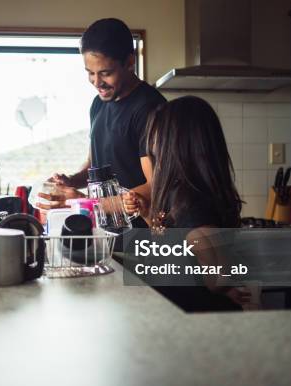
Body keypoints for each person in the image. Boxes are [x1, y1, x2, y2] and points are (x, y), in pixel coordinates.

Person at [125, 96, 251, 311]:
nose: (152, 144)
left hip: (200, 316)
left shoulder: (190, 198)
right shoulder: (181, 192)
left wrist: (224, 286)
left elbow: (217, 274)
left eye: (157, 136)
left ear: (175, 142)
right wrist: (147, 214)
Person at [39, 18, 166, 221]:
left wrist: (81, 202)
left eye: (106, 73)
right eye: (90, 73)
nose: (97, 82)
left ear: (129, 62)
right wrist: (71, 181)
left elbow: (156, 185)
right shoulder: (98, 104)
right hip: (105, 233)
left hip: (141, 239)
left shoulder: (150, 108)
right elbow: (94, 166)